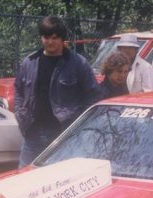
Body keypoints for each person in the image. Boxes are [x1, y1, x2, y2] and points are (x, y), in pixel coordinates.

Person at [14, 16, 100, 167]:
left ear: (62, 39)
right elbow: (19, 92)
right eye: (46, 37)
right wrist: (20, 114)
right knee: (24, 177)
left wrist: (78, 125)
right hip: (33, 133)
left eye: (54, 38)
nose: (50, 42)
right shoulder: (29, 62)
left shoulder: (78, 64)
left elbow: (93, 96)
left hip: (64, 133)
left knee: (61, 178)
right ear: (41, 38)